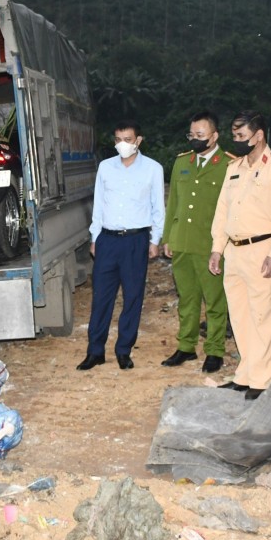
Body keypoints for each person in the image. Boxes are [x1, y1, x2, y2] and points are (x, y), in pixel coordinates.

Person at [209, 112, 271, 399]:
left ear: (258, 136)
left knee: (263, 317)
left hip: (262, 251)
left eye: (242, 136)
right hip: (234, 252)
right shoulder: (234, 167)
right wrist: (217, 248)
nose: (237, 141)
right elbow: (223, 211)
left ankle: (262, 379)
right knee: (241, 316)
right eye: (234, 136)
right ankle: (245, 375)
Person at [77, 120, 165, 371]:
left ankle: (124, 350)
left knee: (133, 297)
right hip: (108, 240)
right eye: (118, 140)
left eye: (127, 139)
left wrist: (155, 239)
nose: (122, 144)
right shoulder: (105, 167)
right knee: (101, 298)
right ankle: (95, 352)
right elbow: (99, 205)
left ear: (138, 140)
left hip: (136, 240)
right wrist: (95, 238)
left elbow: (158, 206)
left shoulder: (152, 169)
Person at [160, 112, 234, 373]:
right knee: (187, 299)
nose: (195, 139)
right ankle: (186, 347)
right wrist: (168, 237)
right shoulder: (182, 162)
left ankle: (214, 350)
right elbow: (174, 205)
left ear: (214, 136)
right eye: (191, 135)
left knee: (215, 301)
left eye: (200, 135)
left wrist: (223, 245)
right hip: (182, 243)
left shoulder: (229, 165)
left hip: (210, 245)